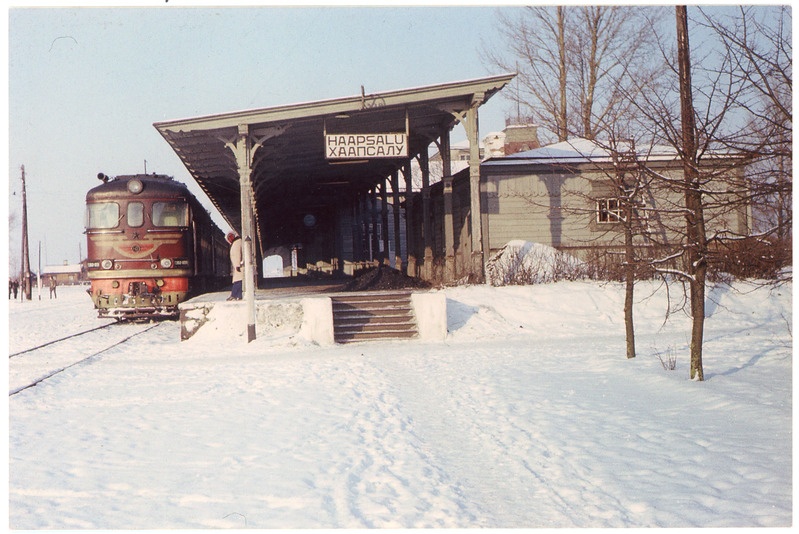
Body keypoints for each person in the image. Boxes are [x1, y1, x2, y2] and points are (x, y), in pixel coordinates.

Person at [226, 232, 243, 301]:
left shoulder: (236, 243)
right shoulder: (237, 242)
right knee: (239, 281)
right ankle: (238, 295)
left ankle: (234, 295)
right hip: (239, 265)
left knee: (238, 281)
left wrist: (237, 265)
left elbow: (237, 254)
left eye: (230, 237)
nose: (229, 239)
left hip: (239, 266)